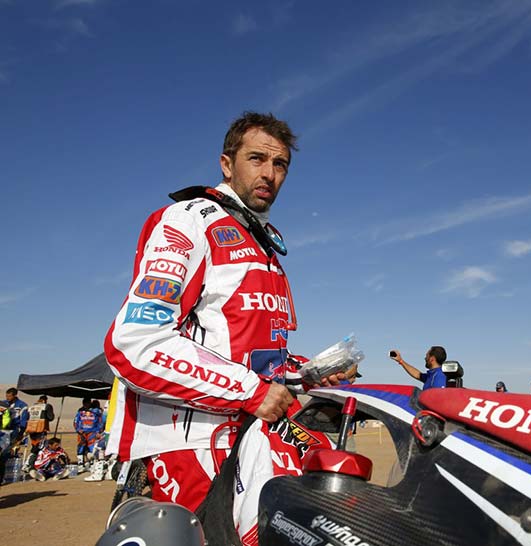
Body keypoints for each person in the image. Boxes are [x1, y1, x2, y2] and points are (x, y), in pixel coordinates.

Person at [104, 112, 349, 545]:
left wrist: (310, 372)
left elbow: (255, 358)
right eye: (257, 159)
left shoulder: (262, 242)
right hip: (191, 448)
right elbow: (135, 343)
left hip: (253, 440)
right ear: (226, 164)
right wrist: (251, 391)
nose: (269, 173)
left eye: (280, 164)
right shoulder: (189, 220)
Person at [23, 395, 55, 473]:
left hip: (31, 429)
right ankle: (28, 464)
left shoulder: (32, 407)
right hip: (40, 429)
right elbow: (50, 417)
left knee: (35, 446)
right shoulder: (46, 406)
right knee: (39, 448)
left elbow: (26, 417)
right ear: (45, 400)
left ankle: (32, 464)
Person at [74, 396, 103, 470]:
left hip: (92, 432)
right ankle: (80, 463)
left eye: (88, 403)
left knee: (92, 448)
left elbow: (100, 421)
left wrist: (98, 431)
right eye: (85, 403)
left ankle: (92, 463)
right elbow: (76, 421)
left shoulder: (96, 411)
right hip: (82, 433)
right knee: (81, 447)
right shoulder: (80, 411)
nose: (86, 404)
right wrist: (78, 429)